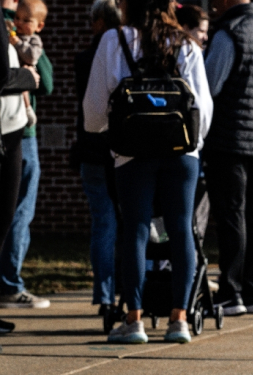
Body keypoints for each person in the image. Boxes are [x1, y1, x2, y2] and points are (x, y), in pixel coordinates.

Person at [83, 0, 213, 344]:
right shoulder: (186, 42)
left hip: (132, 151)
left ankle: (134, 319)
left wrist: (105, 129)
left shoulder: (114, 40)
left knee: (136, 229)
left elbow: (93, 111)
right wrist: (192, 140)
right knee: (181, 228)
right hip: (182, 150)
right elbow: (203, 107)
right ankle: (179, 319)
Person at [203, 0, 253, 316]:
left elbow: (209, 86)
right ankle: (252, 291)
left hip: (230, 138)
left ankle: (231, 291)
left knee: (231, 214)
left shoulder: (229, 33)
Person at [0, 0, 52, 310]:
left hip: (20, 130)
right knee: (17, 211)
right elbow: (44, 82)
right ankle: (9, 283)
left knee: (17, 211)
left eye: (26, 18)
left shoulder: (20, 35)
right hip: (15, 133)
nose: (20, 21)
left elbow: (44, 81)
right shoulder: (10, 29)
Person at [71, 0, 120, 316]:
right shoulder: (132, 51)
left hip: (92, 147)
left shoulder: (86, 59)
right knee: (132, 222)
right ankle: (129, 290)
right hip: (122, 149)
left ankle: (104, 295)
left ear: (99, 21)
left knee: (103, 222)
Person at [0, 10, 39, 333]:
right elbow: (2, 76)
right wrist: (29, 78)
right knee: (4, 218)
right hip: (6, 136)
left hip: (11, 131)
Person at [7, 0, 44, 128]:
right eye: (17, 18)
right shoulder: (12, 34)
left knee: (24, 84)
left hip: (25, 69)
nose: (19, 23)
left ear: (39, 26)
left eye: (26, 20)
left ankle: (28, 109)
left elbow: (32, 57)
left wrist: (17, 44)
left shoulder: (34, 40)